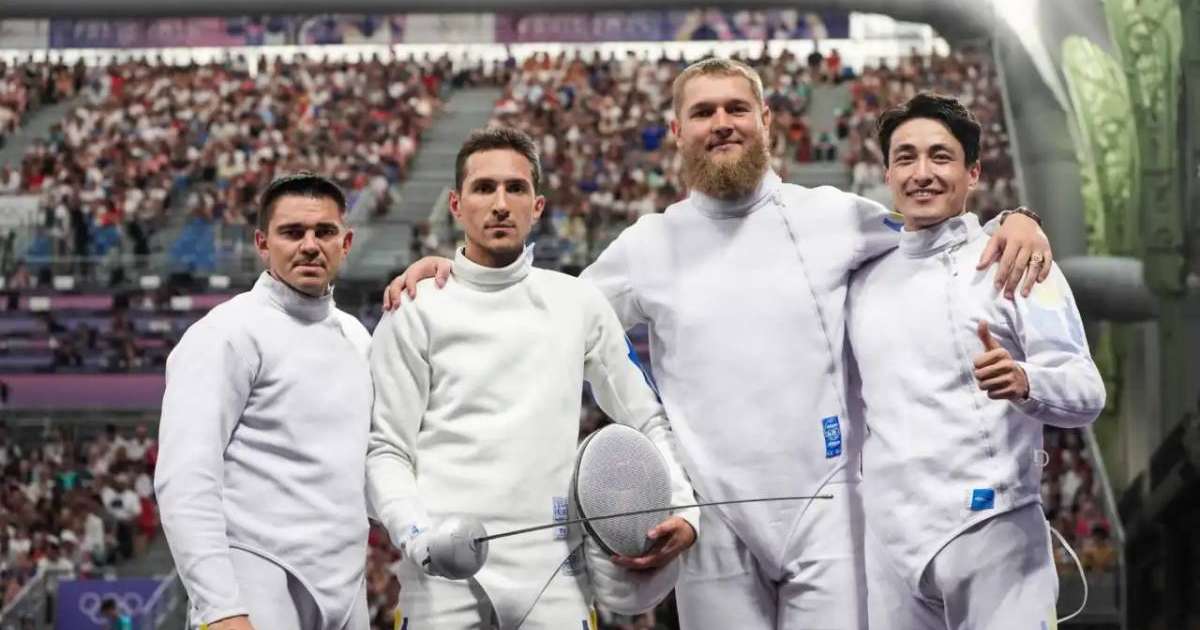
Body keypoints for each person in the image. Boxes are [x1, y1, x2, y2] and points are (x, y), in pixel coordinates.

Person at [386, 58, 1052, 629]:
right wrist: (453, 272)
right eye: (703, 112)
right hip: (710, 524)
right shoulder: (645, 245)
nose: (722, 122)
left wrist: (1014, 219)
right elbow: (548, 314)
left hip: (830, 509)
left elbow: (938, 230)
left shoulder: (833, 216)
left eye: (737, 108)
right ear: (677, 131)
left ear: (766, 119)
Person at [366, 127, 698, 630]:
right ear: (456, 204)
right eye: (484, 188)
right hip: (441, 579)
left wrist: (685, 508)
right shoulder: (414, 308)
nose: (500, 204)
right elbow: (386, 449)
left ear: (538, 205)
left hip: (556, 577)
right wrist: (417, 536)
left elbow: (647, 416)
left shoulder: (578, 303)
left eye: (515, 189)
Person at [845, 93, 1105, 629]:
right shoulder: (862, 279)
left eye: (940, 157)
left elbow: (1087, 390)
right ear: (888, 174)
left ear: (973, 173)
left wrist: (1024, 381)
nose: (922, 173)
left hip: (997, 535)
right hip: (890, 547)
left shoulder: (1015, 259)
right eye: (906, 157)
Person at [155, 173, 372, 630]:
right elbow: (185, 478)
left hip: (346, 582)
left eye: (324, 232)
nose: (310, 245)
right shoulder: (226, 333)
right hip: (255, 574)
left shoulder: (357, 337)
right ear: (262, 242)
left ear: (346, 242)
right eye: (292, 233)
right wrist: (220, 608)